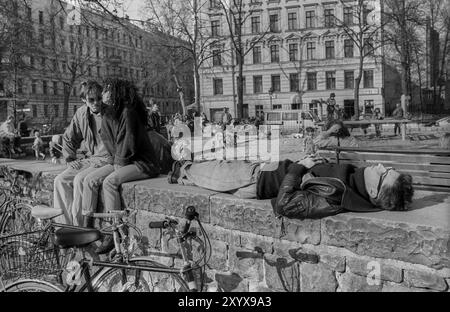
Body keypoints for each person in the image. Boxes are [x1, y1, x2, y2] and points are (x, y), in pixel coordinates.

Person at [169, 156, 414, 219]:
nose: (381, 166)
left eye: (384, 173)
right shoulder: (354, 181)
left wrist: (299, 167)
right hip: (261, 170)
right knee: (197, 175)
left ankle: (176, 171)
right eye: (387, 167)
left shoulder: (337, 198)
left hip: (253, 180)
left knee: (191, 168)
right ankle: (181, 175)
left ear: (374, 191)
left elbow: (284, 204)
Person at [81, 79, 161, 254]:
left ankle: (115, 230)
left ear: (116, 92)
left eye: (107, 90)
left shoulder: (127, 112)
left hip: (142, 163)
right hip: (123, 160)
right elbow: (110, 142)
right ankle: (86, 225)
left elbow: (128, 143)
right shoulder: (110, 113)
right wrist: (114, 161)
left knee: (109, 182)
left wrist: (117, 163)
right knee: (90, 179)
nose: (103, 94)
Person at [53, 80, 113, 226]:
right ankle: (64, 225)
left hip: (107, 159)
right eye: (91, 100)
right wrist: (69, 158)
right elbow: (68, 137)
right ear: (84, 100)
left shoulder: (111, 113)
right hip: (91, 159)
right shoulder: (81, 113)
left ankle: (78, 227)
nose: (96, 103)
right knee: (60, 180)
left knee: (80, 179)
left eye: (99, 98)